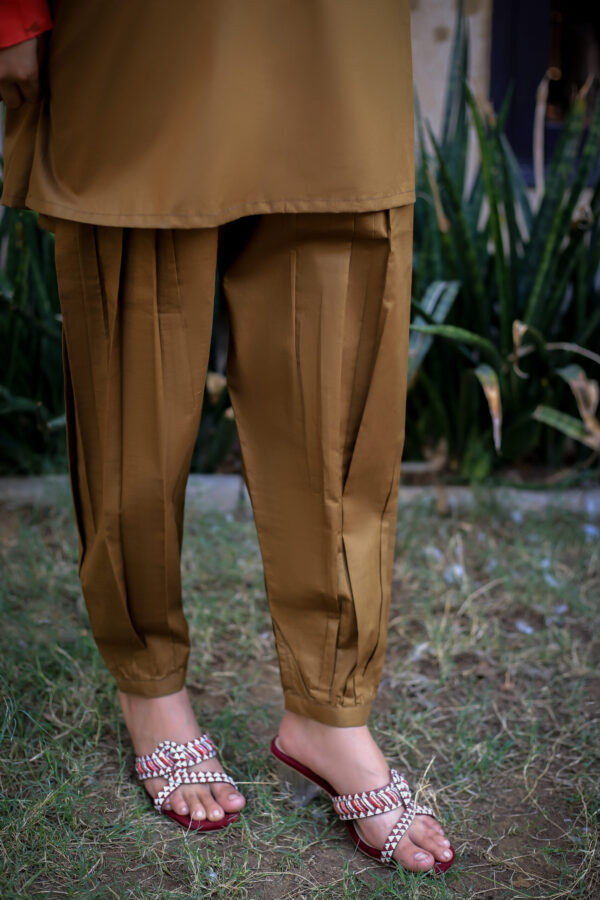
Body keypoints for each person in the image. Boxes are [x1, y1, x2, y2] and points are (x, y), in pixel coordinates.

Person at [0, 0, 455, 874]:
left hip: (334, 28)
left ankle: (328, 711)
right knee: (135, 380)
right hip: (145, 31)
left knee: (336, 375)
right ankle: (151, 688)